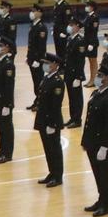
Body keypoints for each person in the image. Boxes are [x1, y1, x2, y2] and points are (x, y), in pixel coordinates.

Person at [81, 73, 108, 217]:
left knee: (105, 174)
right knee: (97, 173)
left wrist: (106, 146)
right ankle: (101, 199)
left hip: (101, 143)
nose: (98, 78)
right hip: (92, 140)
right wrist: (85, 140)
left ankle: (107, 204)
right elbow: (89, 119)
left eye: (101, 75)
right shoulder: (96, 93)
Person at [32, 56, 66, 188]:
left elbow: (55, 105)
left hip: (52, 121)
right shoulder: (47, 78)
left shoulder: (57, 81)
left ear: (55, 65)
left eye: (48, 63)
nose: (45, 65)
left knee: (55, 149)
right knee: (48, 149)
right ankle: (52, 173)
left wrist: (51, 124)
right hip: (43, 119)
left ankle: (58, 176)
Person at [0, 38, 18, 164]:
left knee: (6, 128)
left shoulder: (9, 64)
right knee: (0, 127)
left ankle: (7, 153)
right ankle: (2, 150)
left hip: (4, 102)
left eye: (0, 46)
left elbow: (9, 87)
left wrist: (7, 105)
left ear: (7, 48)